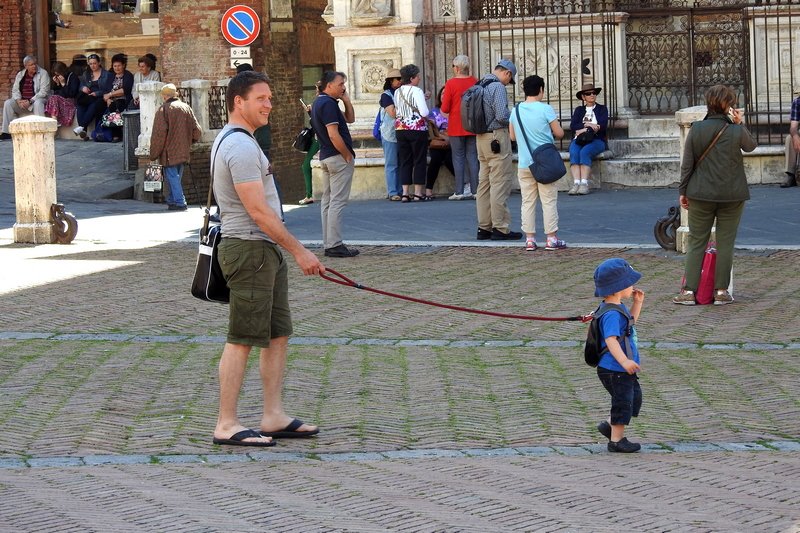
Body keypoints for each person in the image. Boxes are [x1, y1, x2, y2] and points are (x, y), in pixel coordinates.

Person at [211, 70, 324, 447]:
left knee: (277, 334)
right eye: (261, 98)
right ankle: (226, 423)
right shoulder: (240, 147)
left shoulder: (238, 140)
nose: (269, 105)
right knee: (242, 338)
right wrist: (300, 251)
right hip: (250, 249)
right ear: (238, 102)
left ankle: (272, 415)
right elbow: (258, 212)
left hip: (263, 250)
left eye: (270, 98)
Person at [673, 85, 757, 306]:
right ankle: (721, 291)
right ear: (729, 105)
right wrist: (740, 123)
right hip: (732, 194)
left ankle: (689, 292)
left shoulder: (697, 129)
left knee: (696, 241)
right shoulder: (736, 130)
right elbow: (751, 146)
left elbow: (687, 164)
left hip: (700, 193)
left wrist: (683, 191)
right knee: (725, 242)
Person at [508, 75, 567, 252]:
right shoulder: (546, 109)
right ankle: (551, 238)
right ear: (541, 89)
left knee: (527, 201)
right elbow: (560, 133)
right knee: (548, 200)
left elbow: (512, 137)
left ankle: (530, 239)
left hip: (525, 163)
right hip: (545, 162)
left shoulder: (516, 110)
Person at [593, 258, 645, 453]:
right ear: (617, 288)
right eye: (629, 283)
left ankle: (609, 425)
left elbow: (630, 324)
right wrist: (624, 361)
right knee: (622, 402)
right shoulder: (612, 314)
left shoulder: (618, 307)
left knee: (634, 399)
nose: (632, 287)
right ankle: (616, 440)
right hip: (615, 368)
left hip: (621, 368)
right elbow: (611, 340)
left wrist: (637, 303)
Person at [311, 70, 359, 258]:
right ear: (329, 85)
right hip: (337, 157)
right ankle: (334, 244)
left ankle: (329, 242)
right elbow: (333, 134)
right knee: (337, 202)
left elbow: (350, 119)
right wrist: (347, 155)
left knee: (328, 202)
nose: (343, 87)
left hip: (326, 156)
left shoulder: (320, 102)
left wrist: (346, 100)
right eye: (340, 84)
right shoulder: (328, 104)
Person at [475, 59, 521, 240]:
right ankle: (500, 227)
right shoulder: (497, 87)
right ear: (507, 73)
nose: (508, 83)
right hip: (496, 138)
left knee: (484, 184)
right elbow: (502, 115)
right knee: (500, 182)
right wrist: (515, 116)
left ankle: (484, 227)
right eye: (510, 79)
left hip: (480, 138)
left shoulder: (479, 84)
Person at [149, 83, 202, 211]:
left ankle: (180, 202)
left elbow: (159, 135)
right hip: (184, 150)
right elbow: (197, 131)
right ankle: (172, 200)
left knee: (172, 177)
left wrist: (153, 153)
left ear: (164, 96)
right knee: (175, 177)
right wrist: (189, 141)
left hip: (169, 152)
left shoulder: (163, 110)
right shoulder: (186, 107)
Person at [441, 54, 478, 200]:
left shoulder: (451, 83)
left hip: (456, 125)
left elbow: (445, 107)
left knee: (458, 158)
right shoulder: (475, 81)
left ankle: (459, 191)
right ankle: (475, 190)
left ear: (456, 68)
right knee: (473, 157)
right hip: (472, 124)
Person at [394, 63, 430, 202]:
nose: (419, 78)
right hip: (417, 129)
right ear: (412, 78)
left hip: (401, 129)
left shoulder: (397, 92)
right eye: (417, 76)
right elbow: (424, 112)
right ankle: (418, 193)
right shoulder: (417, 91)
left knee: (405, 161)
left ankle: (405, 193)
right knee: (419, 160)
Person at [568, 83, 609, 195]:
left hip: (597, 140)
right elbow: (573, 126)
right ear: (583, 97)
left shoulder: (602, 109)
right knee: (574, 152)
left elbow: (602, 126)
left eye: (594, 93)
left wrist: (583, 129)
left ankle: (584, 184)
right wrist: (589, 125)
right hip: (580, 139)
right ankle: (576, 183)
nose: (592, 95)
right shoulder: (579, 110)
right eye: (588, 93)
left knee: (585, 152)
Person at [1, 56, 51, 140]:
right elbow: (15, 90)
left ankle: (41, 132)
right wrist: (18, 101)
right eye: (31, 65)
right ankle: (6, 132)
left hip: (36, 101)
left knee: (38, 103)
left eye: (35, 64)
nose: (34, 66)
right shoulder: (20, 74)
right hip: (23, 103)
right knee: (8, 103)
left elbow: (44, 92)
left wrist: (30, 101)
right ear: (26, 66)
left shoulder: (43, 73)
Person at [424, 86, 454, 200]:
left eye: (446, 93)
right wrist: (443, 137)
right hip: (438, 142)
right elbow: (432, 130)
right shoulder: (434, 112)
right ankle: (428, 190)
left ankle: (464, 185)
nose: (444, 96)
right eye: (442, 93)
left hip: (452, 143)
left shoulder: (455, 111)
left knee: (449, 160)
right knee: (435, 159)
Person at [74, 53, 112, 140]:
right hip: (88, 97)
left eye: (94, 63)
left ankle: (81, 127)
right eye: (90, 64)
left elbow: (108, 90)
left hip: (100, 98)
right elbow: (81, 85)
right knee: (80, 105)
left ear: (99, 63)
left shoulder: (107, 74)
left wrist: (97, 93)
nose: (93, 66)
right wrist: (83, 88)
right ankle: (83, 131)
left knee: (94, 106)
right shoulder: (86, 74)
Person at [379, 68, 402, 201]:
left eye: (401, 79)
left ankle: (400, 190)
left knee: (401, 163)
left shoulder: (402, 92)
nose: (400, 81)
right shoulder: (386, 95)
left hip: (402, 132)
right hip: (390, 133)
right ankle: (393, 192)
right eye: (397, 79)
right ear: (391, 81)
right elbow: (392, 113)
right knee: (392, 163)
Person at [102, 53, 134, 142]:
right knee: (98, 105)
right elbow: (105, 90)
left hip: (124, 100)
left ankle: (116, 135)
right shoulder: (111, 75)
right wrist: (108, 99)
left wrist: (110, 95)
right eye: (115, 66)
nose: (117, 68)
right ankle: (102, 132)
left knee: (115, 106)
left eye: (119, 66)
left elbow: (125, 90)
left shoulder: (128, 75)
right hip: (111, 100)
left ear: (123, 65)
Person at [299, 82, 322, 205]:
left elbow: (316, 123)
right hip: (317, 138)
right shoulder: (321, 102)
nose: (316, 92)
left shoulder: (320, 102)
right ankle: (310, 194)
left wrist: (310, 113)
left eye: (317, 89)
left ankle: (309, 195)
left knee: (306, 165)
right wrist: (309, 112)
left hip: (319, 139)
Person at [44, 61, 80, 127]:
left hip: (71, 102)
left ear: (63, 71)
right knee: (53, 97)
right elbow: (56, 93)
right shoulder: (59, 78)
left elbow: (71, 94)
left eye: (59, 74)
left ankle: (54, 122)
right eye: (56, 75)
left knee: (53, 98)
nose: (58, 76)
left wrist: (63, 84)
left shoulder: (72, 77)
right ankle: (54, 120)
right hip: (60, 101)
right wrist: (57, 84)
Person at [781, 87, 800, 188]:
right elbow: (793, 127)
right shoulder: (797, 102)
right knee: (790, 138)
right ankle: (790, 174)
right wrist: (795, 136)